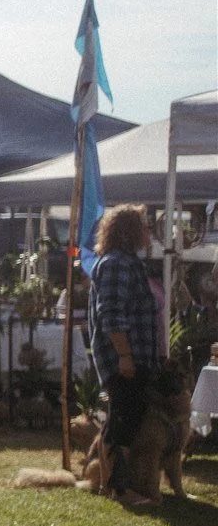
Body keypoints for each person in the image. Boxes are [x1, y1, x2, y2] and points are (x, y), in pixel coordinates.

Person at [89, 205, 163, 506]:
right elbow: (111, 313)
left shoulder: (128, 262)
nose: (149, 232)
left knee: (126, 418)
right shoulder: (116, 264)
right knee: (124, 421)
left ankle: (117, 485)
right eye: (145, 227)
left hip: (135, 356)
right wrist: (124, 355)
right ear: (130, 231)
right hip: (123, 358)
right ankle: (122, 490)